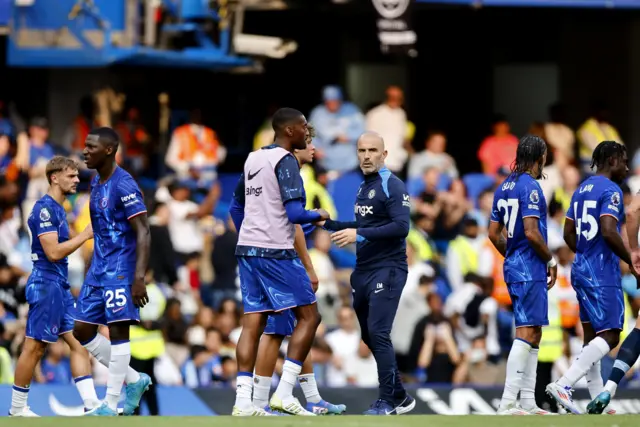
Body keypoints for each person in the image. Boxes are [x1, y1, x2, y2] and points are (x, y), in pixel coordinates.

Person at [228, 108, 329, 416]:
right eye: (303, 128)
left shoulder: (252, 158)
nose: (306, 133)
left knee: (253, 323)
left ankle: (242, 402)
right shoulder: (286, 162)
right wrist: (320, 214)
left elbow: (235, 206)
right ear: (289, 131)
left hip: (248, 249)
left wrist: (250, 232)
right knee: (310, 318)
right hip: (276, 251)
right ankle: (285, 392)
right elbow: (296, 215)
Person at [251, 125, 346, 415]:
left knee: (295, 328)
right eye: (308, 143)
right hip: (283, 257)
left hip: (266, 254)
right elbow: (293, 226)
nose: (314, 148)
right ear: (294, 149)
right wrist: (309, 267)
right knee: (297, 323)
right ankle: (274, 396)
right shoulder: (292, 172)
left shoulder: (277, 170)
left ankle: (308, 397)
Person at [319, 131, 415, 415]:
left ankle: (386, 401)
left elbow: (401, 227)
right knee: (369, 336)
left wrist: (358, 233)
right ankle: (399, 394)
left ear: (384, 155)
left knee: (378, 332)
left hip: (388, 268)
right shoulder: (364, 187)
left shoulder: (393, 185)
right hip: (363, 270)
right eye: (362, 151)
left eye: (373, 150)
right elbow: (365, 222)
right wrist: (330, 224)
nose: (366, 156)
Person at [9, 156, 100, 417]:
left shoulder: (60, 209)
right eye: (71, 176)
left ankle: (92, 405)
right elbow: (53, 253)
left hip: (59, 286)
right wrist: (84, 235)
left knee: (79, 344)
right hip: (46, 284)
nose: (76, 180)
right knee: (34, 347)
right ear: (54, 177)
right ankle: (17, 409)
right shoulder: (44, 210)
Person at [71, 127, 152, 416]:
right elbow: (102, 228)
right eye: (85, 145)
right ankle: (134, 380)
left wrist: (139, 276)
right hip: (98, 267)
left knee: (118, 333)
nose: (84, 151)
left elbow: (143, 231)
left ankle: (110, 403)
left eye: (91, 146)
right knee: (81, 329)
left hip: (121, 268)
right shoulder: (95, 181)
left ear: (109, 149)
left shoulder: (124, 184)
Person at [547, 141, 629, 415]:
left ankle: (597, 403)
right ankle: (564, 383)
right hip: (601, 270)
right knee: (611, 335)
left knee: (591, 335)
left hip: (580, 267)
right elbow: (608, 229)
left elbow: (568, 232)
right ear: (613, 160)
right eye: (624, 160)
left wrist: (583, 253)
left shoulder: (581, 189)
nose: (627, 167)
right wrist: (632, 260)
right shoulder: (612, 190)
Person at [488, 135, 557, 415]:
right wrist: (550, 260)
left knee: (535, 332)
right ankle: (507, 403)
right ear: (539, 157)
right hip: (530, 266)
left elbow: (493, 233)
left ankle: (528, 400)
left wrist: (512, 254)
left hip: (519, 264)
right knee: (526, 331)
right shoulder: (531, 187)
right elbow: (531, 231)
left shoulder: (503, 186)